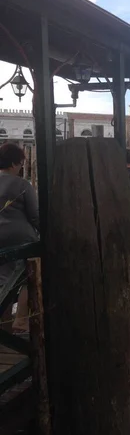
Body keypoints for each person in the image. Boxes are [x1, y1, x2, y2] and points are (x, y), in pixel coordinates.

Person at [0, 143, 39, 335]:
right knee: (29, 275)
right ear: (15, 163)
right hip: (22, 240)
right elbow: (35, 215)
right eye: (21, 163)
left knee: (3, 279)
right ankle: (21, 321)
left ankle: (4, 323)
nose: (22, 167)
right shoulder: (22, 185)